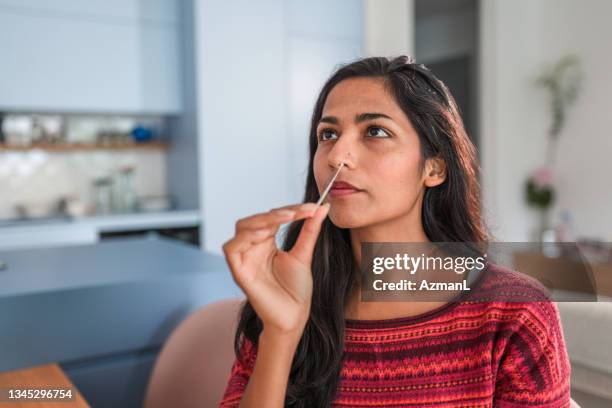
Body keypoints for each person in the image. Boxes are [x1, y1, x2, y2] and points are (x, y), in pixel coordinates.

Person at [219, 56, 570, 407]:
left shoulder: (515, 312)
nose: (336, 156)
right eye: (328, 134)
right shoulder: (285, 295)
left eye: (375, 131)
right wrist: (281, 334)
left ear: (433, 168)